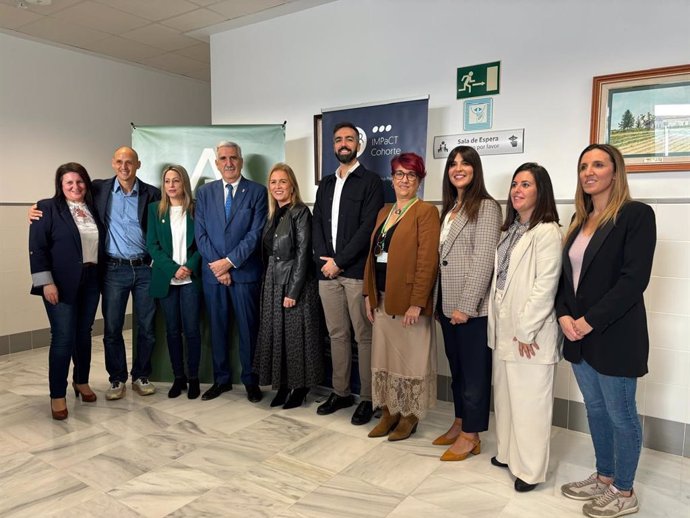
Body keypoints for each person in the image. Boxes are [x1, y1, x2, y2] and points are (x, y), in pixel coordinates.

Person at [557, 144, 655, 518]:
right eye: (584, 165)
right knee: (596, 411)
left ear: (616, 172)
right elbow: (567, 279)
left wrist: (588, 321)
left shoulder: (636, 215)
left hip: (614, 334)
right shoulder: (578, 221)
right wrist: (564, 315)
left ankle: (625, 490)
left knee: (621, 415)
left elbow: (633, 281)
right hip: (578, 335)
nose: (589, 171)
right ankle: (604, 477)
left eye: (598, 164)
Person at [30, 147, 161, 400]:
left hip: (140, 269)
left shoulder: (150, 194)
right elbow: (42, 239)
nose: (124, 166)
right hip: (111, 270)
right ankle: (115, 379)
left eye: (129, 162)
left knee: (142, 327)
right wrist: (33, 209)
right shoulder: (96, 191)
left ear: (138, 164)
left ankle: (138, 375)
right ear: (112, 164)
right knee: (109, 329)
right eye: (119, 162)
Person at [487, 163, 562, 492]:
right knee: (505, 396)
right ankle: (506, 453)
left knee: (530, 402)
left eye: (526, 185)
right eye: (515, 184)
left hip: (529, 332)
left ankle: (529, 470)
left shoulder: (547, 232)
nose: (517, 190)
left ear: (540, 191)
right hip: (505, 325)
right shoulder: (511, 228)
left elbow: (545, 286)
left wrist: (527, 330)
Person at [363, 153, 440, 441]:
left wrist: (417, 302)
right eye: (399, 174)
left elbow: (427, 261)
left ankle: (409, 417)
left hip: (408, 303)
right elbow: (372, 255)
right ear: (392, 178)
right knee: (385, 359)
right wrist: (368, 294)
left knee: (410, 361)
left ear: (419, 180)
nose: (404, 180)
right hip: (382, 297)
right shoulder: (385, 211)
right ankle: (388, 412)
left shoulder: (426, 212)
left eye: (411, 175)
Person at [312, 121, 384, 425]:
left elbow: (368, 228)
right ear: (333, 146)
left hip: (354, 272)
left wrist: (339, 261)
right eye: (338, 139)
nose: (344, 144)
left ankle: (368, 398)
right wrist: (323, 261)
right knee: (336, 335)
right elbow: (316, 223)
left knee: (363, 336)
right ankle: (340, 392)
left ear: (358, 144)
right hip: (326, 274)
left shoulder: (371, 182)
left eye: (349, 139)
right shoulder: (326, 183)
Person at [433, 145, 501, 460]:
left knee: (474, 373)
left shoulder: (486, 207)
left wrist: (466, 304)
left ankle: (472, 435)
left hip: (470, 310)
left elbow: (484, 260)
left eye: (465, 163)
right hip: (447, 306)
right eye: (452, 164)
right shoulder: (450, 209)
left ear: (476, 169)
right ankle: (460, 421)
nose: (458, 168)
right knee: (457, 369)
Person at [29, 163, 104, 419]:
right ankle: (57, 394)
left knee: (84, 334)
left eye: (80, 181)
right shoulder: (46, 208)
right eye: (69, 183)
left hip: (92, 279)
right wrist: (46, 282)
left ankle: (81, 381)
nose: (75, 187)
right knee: (62, 337)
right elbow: (37, 248)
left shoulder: (94, 207)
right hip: (59, 283)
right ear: (60, 186)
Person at [195, 141, 267, 403]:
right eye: (223, 158)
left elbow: (255, 233)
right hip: (214, 275)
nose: (228, 162)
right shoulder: (204, 193)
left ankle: (251, 381)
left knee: (249, 330)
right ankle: (221, 380)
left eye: (233, 157)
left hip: (245, 274)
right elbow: (200, 234)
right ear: (216, 163)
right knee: (217, 328)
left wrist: (230, 262)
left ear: (241, 160)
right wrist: (219, 265)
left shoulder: (257, 192)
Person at [254, 163, 324, 409]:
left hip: (296, 283)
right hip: (273, 280)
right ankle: (283, 384)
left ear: (292, 184)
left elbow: (304, 254)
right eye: (273, 182)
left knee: (296, 337)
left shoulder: (301, 212)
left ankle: (300, 386)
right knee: (277, 335)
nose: (277, 187)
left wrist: (293, 291)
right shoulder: (273, 214)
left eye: (282, 181)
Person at [147, 165, 202, 399]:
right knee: (171, 331)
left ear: (184, 184)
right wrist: (173, 269)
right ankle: (178, 377)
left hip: (191, 279)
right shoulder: (154, 210)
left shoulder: (196, 209)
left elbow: (202, 243)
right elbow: (153, 246)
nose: (171, 185)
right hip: (167, 279)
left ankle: (193, 378)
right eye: (167, 181)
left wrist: (188, 267)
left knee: (191, 331)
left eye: (175, 181)